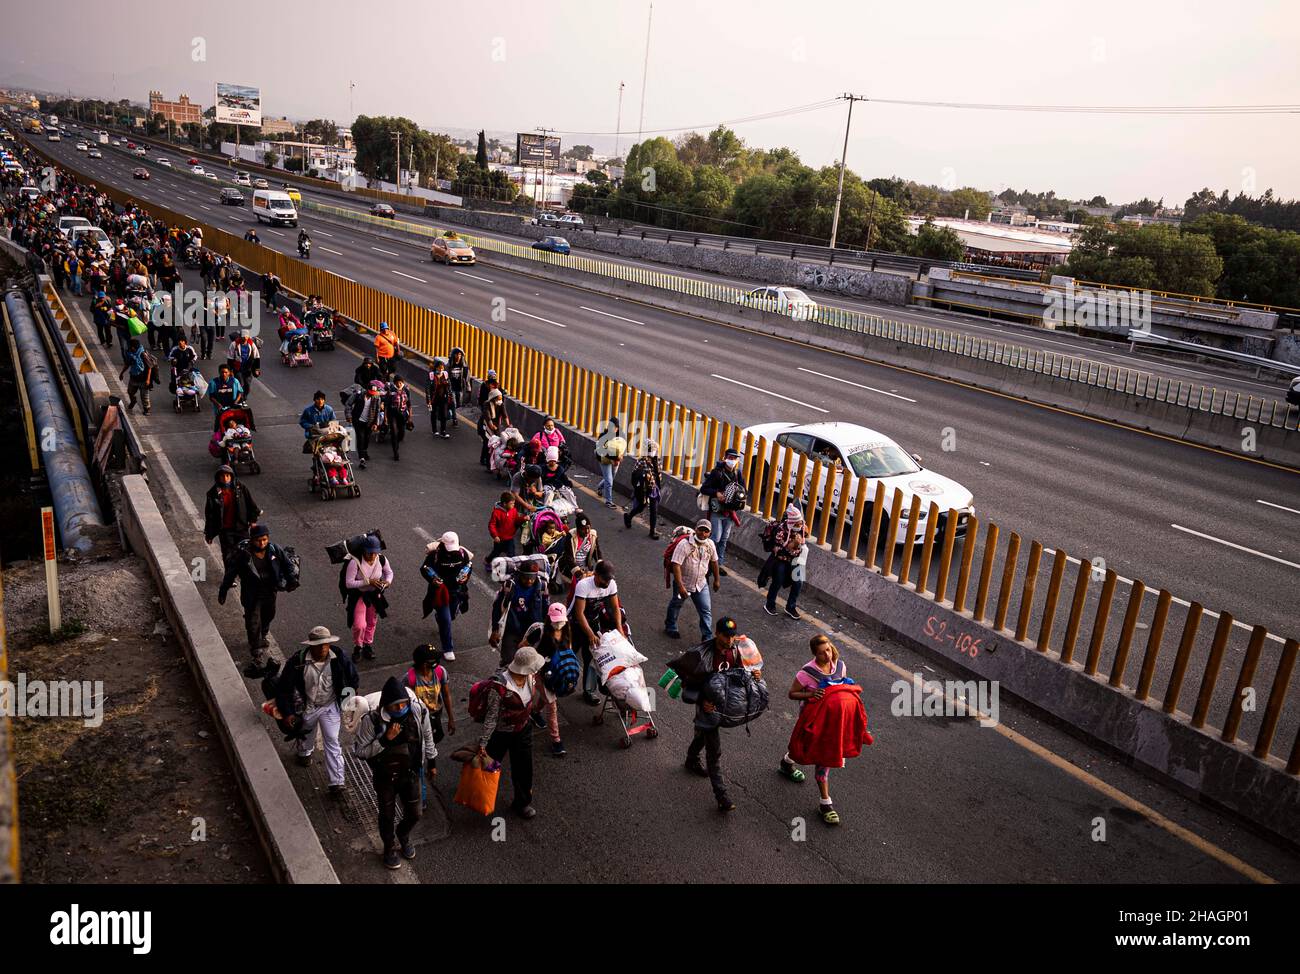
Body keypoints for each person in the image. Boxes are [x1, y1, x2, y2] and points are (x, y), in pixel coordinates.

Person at [778, 634, 870, 826]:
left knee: (823, 757)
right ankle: (824, 802)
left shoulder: (840, 666)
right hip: (812, 723)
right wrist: (812, 693)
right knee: (808, 749)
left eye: (828, 650)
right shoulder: (806, 672)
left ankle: (822, 800)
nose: (826, 656)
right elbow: (792, 693)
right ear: (814, 654)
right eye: (821, 653)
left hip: (835, 725)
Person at [353, 676, 437, 869]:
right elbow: (360, 751)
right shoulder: (372, 720)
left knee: (415, 813)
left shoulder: (418, 711)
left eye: (402, 705)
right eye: (394, 706)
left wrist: (432, 761)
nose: (399, 709)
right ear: (385, 705)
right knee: (387, 815)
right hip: (385, 778)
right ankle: (389, 847)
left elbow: (427, 736)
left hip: (411, 773)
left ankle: (403, 834)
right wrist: (384, 740)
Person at [276, 626, 359, 800]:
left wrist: (348, 702)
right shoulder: (296, 662)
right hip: (308, 707)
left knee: (332, 740)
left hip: (330, 706)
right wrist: (289, 713)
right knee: (306, 735)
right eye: (319, 645)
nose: (323, 648)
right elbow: (284, 690)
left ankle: (337, 782)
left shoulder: (340, 659)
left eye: (326, 644)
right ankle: (304, 753)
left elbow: (352, 680)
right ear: (310, 646)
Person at [678, 616, 744, 812]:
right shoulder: (701, 655)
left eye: (732, 636)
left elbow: (738, 674)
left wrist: (752, 674)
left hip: (721, 704)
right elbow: (687, 685)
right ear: (716, 633)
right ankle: (721, 796)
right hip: (706, 705)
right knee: (714, 750)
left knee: (702, 733)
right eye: (726, 636)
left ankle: (691, 759)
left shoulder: (735, 651)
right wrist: (702, 702)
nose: (730, 640)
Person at [476, 646, 546, 819]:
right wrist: (483, 743)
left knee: (524, 768)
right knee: (490, 766)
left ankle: (522, 802)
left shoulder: (531, 677)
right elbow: (491, 717)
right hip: (500, 734)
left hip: (523, 729)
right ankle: (480, 796)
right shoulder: (498, 686)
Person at [218, 523, 294, 678]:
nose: (262, 543)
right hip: (251, 594)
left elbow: (288, 566)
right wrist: (223, 590)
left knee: (268, 615)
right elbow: (231, 572)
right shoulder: (243, 555)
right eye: (258, 540)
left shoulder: (274, 550)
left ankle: (263, 634)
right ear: (252, 540)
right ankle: (256, 652)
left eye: (264, 540)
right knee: (253, 623)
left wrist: (291, 580)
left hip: (270, 591)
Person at [570, 559, 626, 705]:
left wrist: (619, 629)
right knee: (569, 654)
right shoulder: (584, 585)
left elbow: (615, 608)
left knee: (592, 659)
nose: (607, 583)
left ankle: (588, 691)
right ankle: (562, 682)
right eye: (605, 579)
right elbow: (579, 613)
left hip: (594, 622)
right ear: (596, 575)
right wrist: (590, 634)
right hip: (576, 624)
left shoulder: (611, 584)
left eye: (609, 579)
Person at [523, 602, 571, 756]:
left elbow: (568, 650)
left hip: (553, 672)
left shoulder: (566, 631)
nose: (559, 624)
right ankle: (556, 740)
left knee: (547, 696)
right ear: (549, 618)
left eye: (561, 621)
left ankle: (535, 713)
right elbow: (522, 647)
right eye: (555, 621)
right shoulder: (539, 630)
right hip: (537, 670)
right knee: (552, 704)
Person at [420, 531, 472, 663]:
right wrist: (432, 580)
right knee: (446, 620)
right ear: (442, 544)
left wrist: (465, 578)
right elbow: (424, 569)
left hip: (456, 592)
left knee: (452, 616)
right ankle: (448, 648)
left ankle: (440, 618)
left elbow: (468, 567)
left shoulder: (462, 554)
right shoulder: (435, 555)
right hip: (440, 592)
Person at [665, 519, 720, 641]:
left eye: (706, 531)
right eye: (701, 530)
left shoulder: (710, 544)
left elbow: (714, 562)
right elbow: (676, 565)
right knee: (676, 604)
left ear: (709, 534)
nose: (703, 533)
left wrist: (717, 580)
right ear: (696, 529)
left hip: (701, 584)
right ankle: (671, 627)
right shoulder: (684, 545)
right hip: (684, 583)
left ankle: (707, 636)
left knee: (706, 610)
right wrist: (680, 586)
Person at [489, 560, 550, 668]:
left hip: (531, 633)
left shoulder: (542, 587)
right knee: (509, 663)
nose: (529, 581)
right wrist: (495, 629)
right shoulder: (509, 586)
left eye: (532, 577)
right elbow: (497, 607)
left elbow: (546, 611)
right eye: (526, 577)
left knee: (527, 665)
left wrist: (536, 637)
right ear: (520, 574)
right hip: (511, 630)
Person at [345, 534, 392, 662]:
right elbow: (349, 583)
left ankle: (367, 645)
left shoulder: (381, 559)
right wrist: (368, 582)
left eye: (375, 553)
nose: (372, 556)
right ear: (363, 551)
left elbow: (389, 573)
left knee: (371, 622)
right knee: (360, 625)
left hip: (374, 596)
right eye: (369, 553)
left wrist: (387, 582)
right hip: (359, 596)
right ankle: (358, 646)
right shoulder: (355, 563)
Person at [203, 465, 261, 567]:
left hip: (241, 527)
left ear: (231, 476)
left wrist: (253, 520)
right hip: (225, 530)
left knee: (245, 552)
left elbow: (251, 505)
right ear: (218, 478)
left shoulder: (241, 488)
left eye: (227, 476)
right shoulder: (213, 494)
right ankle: (230, 578)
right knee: (228, 555)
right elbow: (210, 515)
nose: (225, 479)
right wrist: (209, 534)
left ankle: (245, 575)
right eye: (222, 476)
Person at [700, 448, 745, 575]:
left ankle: (718, 565)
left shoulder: (738, 474)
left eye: (735, 458)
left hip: (730, 512)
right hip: (718, 511)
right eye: (730, 458)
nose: (732, 460)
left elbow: (743, 489)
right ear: (725, 458)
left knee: (724, 539)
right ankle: (707, 562)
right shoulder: (716, 472)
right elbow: (704, 489)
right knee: (715, 538)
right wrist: (717, 493)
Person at [763, 503, 808, 620]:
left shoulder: (802, 527)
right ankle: (770, 604)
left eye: (800, 522)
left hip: (797, 560)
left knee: (798, 583)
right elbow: (777, 550)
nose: (800, 524)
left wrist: (799, 545)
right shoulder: (781, 531)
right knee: (778, 580)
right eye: (797, 523)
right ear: (791, 522)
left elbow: (805, 536)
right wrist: (792, 546)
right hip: (782, 560)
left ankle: (791, 607)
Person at [405, 644, 455, 748]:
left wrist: (451, 718)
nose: (437, 662)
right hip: (418, 717)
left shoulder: (440, 672)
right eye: (434, 660)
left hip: (435, 714)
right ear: (423, 664)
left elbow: (446, 695)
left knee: (432, 740)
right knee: (419, 742)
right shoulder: (410, 679)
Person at [624, 439, 663, 539]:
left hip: (653, 489)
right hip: (643, 489)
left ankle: (652, 531)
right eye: (652, 449)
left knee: (654, 510)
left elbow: (659, 475)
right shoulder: (641, 461)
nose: (654, 451)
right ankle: (629, 516)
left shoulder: (657, 460)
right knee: (641, 506)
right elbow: (634, 475)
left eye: (655, 449)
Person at [556, 511, 601, 586]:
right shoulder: (571, 537)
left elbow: (597, 551)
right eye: (583, 529)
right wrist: (579, 573)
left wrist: (600, 564)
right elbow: (569, 557)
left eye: (588, 528)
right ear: (578, 529)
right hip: (571, 565)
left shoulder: (593, 535)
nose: (586, 531)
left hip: (585, 566)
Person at [350, 381, 385, 469]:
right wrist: (348, 415)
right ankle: (361, 458)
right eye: (370, 392)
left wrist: (376, 424)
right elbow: (348, 404)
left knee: (367, 439)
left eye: (373, 393)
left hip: (369, 422)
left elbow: (377, 411)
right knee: (360, 438)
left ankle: (364, 450)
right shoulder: (358, 395)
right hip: (358, 420)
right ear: (367, 390)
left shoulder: (377, 398)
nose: (372, 394)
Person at [594, 416, 625, 508]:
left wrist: (620, 457)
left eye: (615, 427)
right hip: (604, 459)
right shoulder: (603, 436)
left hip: (615, 459)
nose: (613, 429)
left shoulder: (620, 436)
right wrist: (615, 458)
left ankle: (599, 487)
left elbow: (622, 448)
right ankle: (609, 501)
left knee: (610, 478)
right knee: (609, 481)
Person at [486, 492, 523, 568]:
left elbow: (516, 520)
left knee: (511, 554)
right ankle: (488, 561)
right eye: (511, 503)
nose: (513, 505)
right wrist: (495, 535)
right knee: (495, 553)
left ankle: (511, 567)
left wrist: (523, 519)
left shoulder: (514, 510)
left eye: (514, 503)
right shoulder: (496, 513)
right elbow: (491, 525)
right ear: (504, 504)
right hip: (499, 539)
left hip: (510, 538)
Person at [118, 338, 153, 415]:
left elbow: (150, 367)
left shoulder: (143, 354)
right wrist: (122, 373)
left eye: (131, 347)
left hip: (143, 379)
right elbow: (127, 364)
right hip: (133, 377)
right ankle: (133, 401)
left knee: (144, 396)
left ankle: (147, 409)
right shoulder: (130, 354)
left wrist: (148, 380)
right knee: (130, 392)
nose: (130, 348)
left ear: (135, 347)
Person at [205, 364, 245, 429]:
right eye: (222, 372)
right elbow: (211, 397)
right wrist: (218, 405)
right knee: (222, 426)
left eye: (226, 372)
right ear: (219, 372)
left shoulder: (235, 381)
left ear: (229, 373)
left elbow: (240, 392)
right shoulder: (213, 382)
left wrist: (236, 402)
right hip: (220, 409)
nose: (224, 374)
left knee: (233, 425)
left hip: (232, 408)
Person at [384, 375, 413, 461]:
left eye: (401, 382)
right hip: (392, 414)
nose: (399, 384)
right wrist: (385, 417)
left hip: (403, 414)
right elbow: (386, 405)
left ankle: (398, 439)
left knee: (401, 433)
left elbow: (409, 405)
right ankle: (395, 452)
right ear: (395, 383)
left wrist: (410, 417)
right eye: (397, 382)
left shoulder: (406, 390)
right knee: (394, 433)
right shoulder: (391, 391)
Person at [478, 387, 509, 467]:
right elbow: (487, 417)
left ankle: (489, 461)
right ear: (493, 399)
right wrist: (492, 426)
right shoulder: (486, 404)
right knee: (487, 443)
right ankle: (484, 460)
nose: (500, 400)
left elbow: (505, 416)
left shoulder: (501, 404)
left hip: (496, 426)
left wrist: (509, 425)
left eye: (501, 399)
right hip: (485, 425)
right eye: (498, 399)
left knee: (495, 443)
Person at [426, 358, 455, 439]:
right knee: (434, 414)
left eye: (442, 368)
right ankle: (434, 430)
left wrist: (450, 395)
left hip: (444, 398)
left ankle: (443, 431)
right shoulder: (431, 376)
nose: (441, 369)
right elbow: (427, 388)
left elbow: (449, 386)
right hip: (434, 398)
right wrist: (428, 400)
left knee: (444, 415)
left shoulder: (445, 375)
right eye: (439, 368)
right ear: (436, 368)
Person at [227, 331, 260, 396]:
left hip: (248, 368)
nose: (244, 339)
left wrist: (257, 369)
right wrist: (230, 370)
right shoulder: (234, 344)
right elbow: (230, 358)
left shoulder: (251, 344)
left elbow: (257, 356)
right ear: (239, 337)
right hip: (238, 368)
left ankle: (244, 398)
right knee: (240, 384)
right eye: (242, 337)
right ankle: (239, 400)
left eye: (245, 337)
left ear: (248, 337)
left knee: (247, 386)